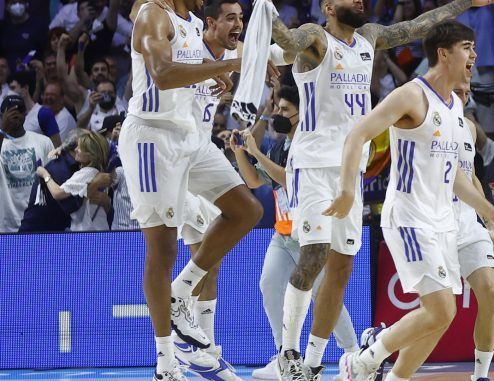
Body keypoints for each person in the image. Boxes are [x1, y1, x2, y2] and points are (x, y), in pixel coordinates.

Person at [267, 1, 494, 379]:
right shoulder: (316, 37)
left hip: (352, 164)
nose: (360, 2)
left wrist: (464, 4)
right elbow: (287, 39)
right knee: (314, 254)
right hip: (313, 161)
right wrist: (266, 13)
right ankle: (289, 352)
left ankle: (313, 361)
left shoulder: (369, 37)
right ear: (328, 7)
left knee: (342, 266)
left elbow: (417, 26)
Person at [323, 20, 494, 381]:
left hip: (442, 221)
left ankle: (394, 376)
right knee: (440, 309)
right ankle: (364, 359)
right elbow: (358, 134)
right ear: (443, 53)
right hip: (410, 217)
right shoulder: (412, 95)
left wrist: (488, 210)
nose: (474, 55)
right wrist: (348, 188)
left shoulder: (454, 109)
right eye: (467, 47)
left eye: (474, 47)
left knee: (441, 317)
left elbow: (456, 175)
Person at [117, 1, 260, 380]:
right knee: (162, 250)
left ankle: (183, 291)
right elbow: (162, 74)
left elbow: (220, 55)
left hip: (190, 139)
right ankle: (166, 362)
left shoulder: (194, 23)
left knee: (246, 210)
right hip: (151, 137)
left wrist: (249, 63)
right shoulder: (153, 15)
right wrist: (226, 66)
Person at [233, 85, 360, 379]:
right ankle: (285, 357)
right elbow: (254, 181)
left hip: (312, 237)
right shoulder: (280, 146)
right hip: (284, 235)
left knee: (324, 295)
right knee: (269, 285)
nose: (278, 114)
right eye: (277, 109)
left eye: (285, 110)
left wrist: (255, 152)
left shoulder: (311, 143)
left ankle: (353, 353)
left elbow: (292, 181)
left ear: (304, 114)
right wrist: (240, 153)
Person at [450, 82, 494, 381]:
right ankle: (376, 346)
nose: (463, 96)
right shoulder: (423, 116)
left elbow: (471, 178)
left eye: (465, 92)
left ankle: (480, 375)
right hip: (434, 220)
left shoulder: (469, 128)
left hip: (468, 220)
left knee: (490, 290)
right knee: (438, 312)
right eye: (457, 91)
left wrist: (491, 225)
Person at [35, 132, 111, 231]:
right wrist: (61, 148)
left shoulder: (86, 173)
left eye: (80, 148)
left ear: (90, 154)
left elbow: (57, 193)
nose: (75, 150)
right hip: (98, 229)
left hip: (88, 233)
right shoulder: (95, 172)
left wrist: (44, 173)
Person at [0, 95, 54, 232]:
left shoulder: (43, 142)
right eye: (11, 110)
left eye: (20, 109)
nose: (16, 113)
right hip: (5, 224)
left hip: (38, 223)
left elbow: (55, 180)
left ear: (26, 113)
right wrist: (3, 129)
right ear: (2, 114)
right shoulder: (2, 144)